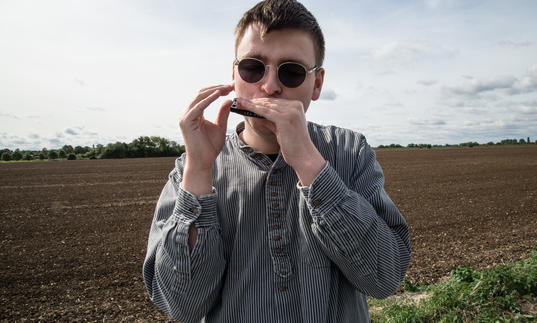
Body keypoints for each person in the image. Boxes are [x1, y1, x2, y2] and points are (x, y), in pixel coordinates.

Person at [143, 0, 411, 322]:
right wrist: (199, 171)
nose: (269, 87)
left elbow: (385, 277)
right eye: (253, 67)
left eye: (292, 72)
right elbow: (181, 307)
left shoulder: (349, 151)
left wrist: (310, 165)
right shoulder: (191, 168)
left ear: (317, 84)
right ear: (234, 73)